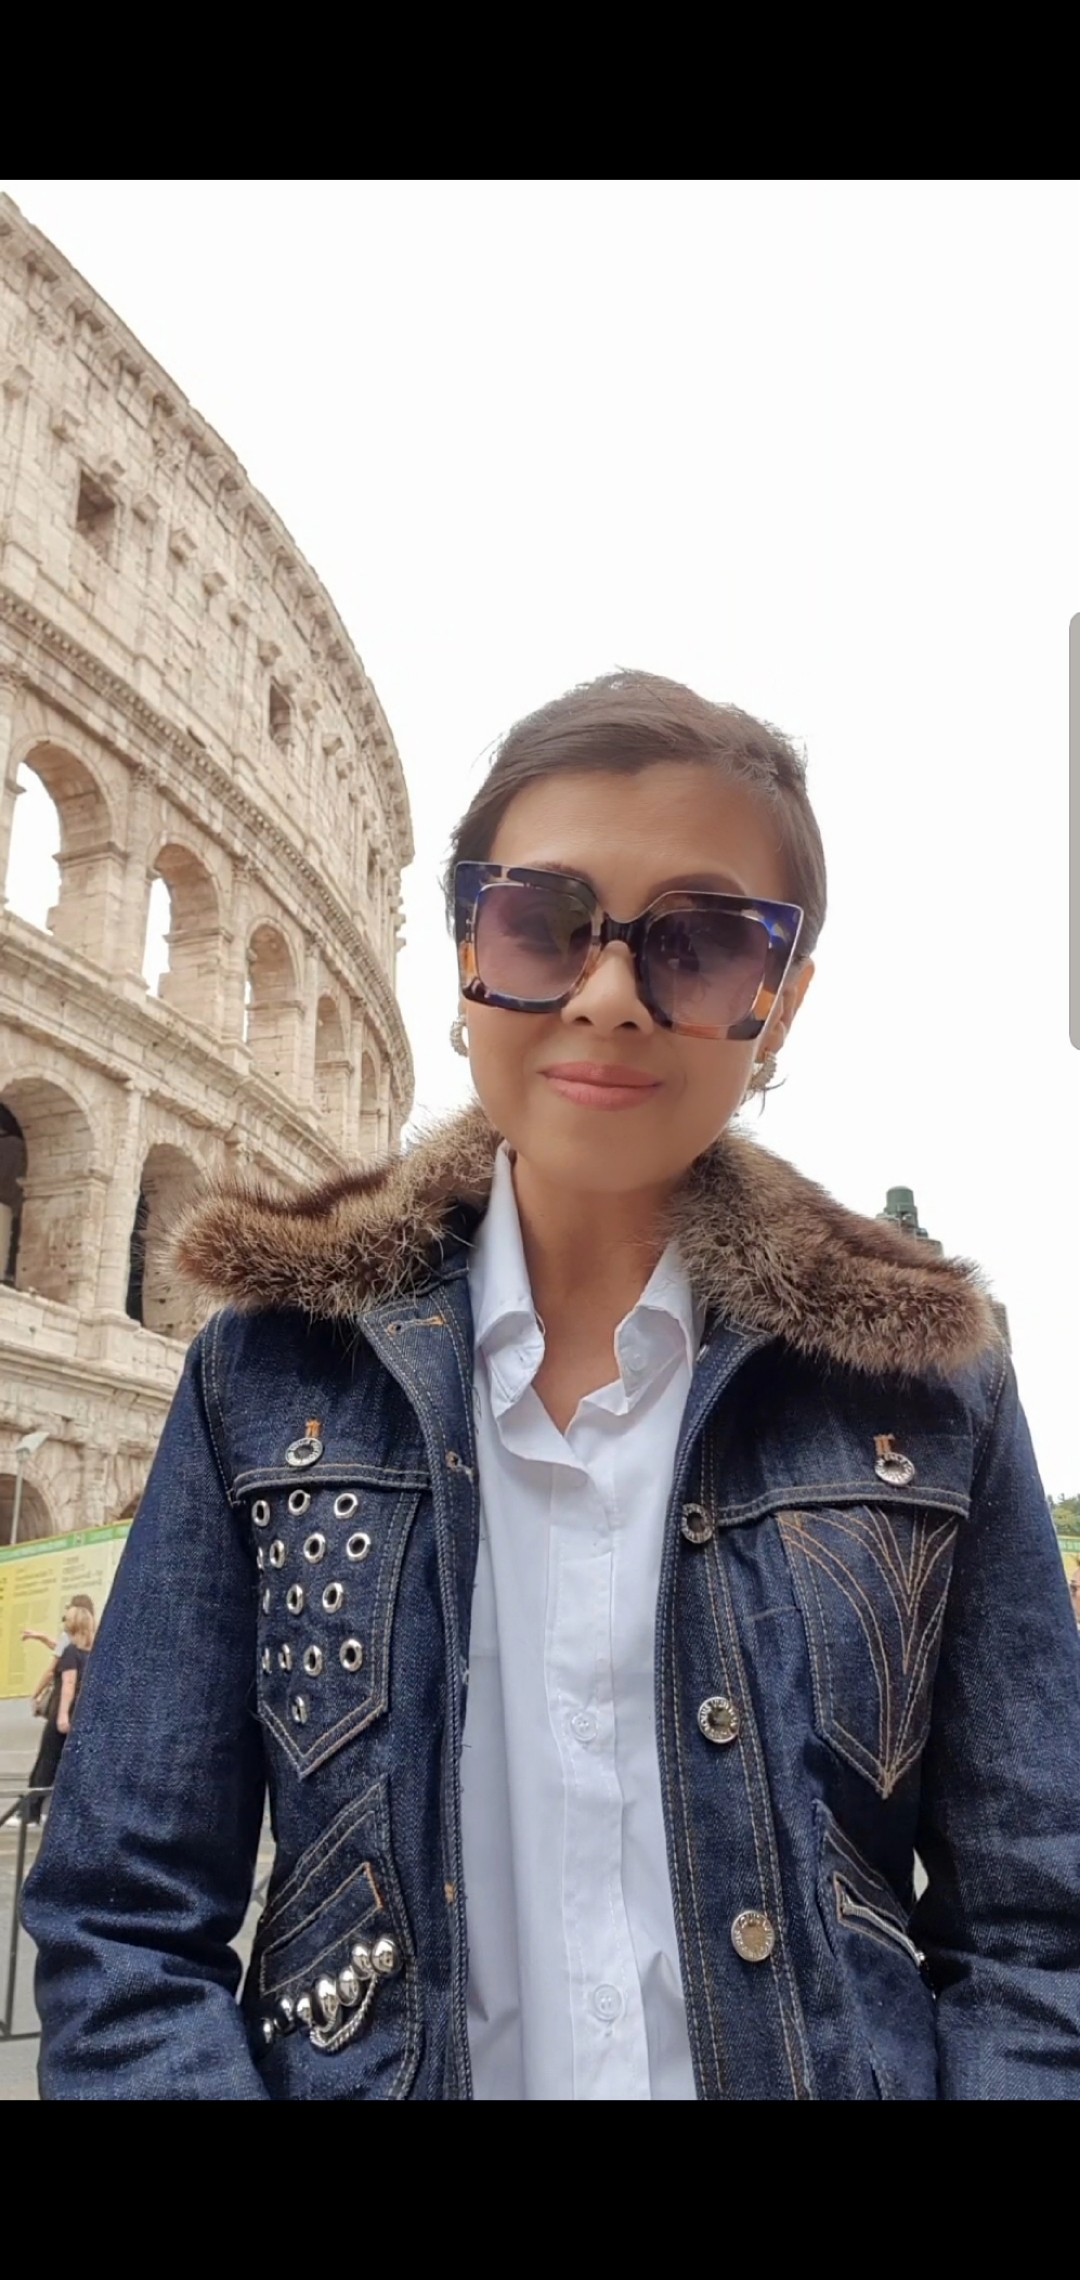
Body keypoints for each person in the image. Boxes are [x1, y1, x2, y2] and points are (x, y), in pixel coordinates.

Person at [22, 670, 1080, 2100]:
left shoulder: (929, 1390)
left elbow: (1040, 1938)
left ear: (778, 1002)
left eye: (701, 944)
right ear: (469, 949)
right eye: (544, 923)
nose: (609, 996)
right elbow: (125, 1922)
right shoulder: (266, 1377)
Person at [24, 1598, 96, 1825]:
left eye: (67, 1618)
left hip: (62, 1714)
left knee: (47, 1761)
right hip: (81, 1715)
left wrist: (62, 1715)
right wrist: (41, 1637)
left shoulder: (71, 1651)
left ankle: (31, 1813)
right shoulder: (91, 1652)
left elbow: (68, 1684)